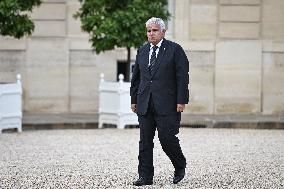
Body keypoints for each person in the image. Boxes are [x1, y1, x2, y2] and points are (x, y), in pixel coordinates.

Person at [130, 17, 189, 186]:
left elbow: (182, 77)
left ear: (163, 32)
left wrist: (181, 100)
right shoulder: (142, 50)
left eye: (155, 30)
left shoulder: (175, 50)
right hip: (145, 103)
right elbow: (137, 78)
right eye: (149, 30)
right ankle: (145, 176)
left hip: (168, 104)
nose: (151, 33)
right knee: (145, 142)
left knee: (167, 139)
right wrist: (134, 99)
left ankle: (180, 165)